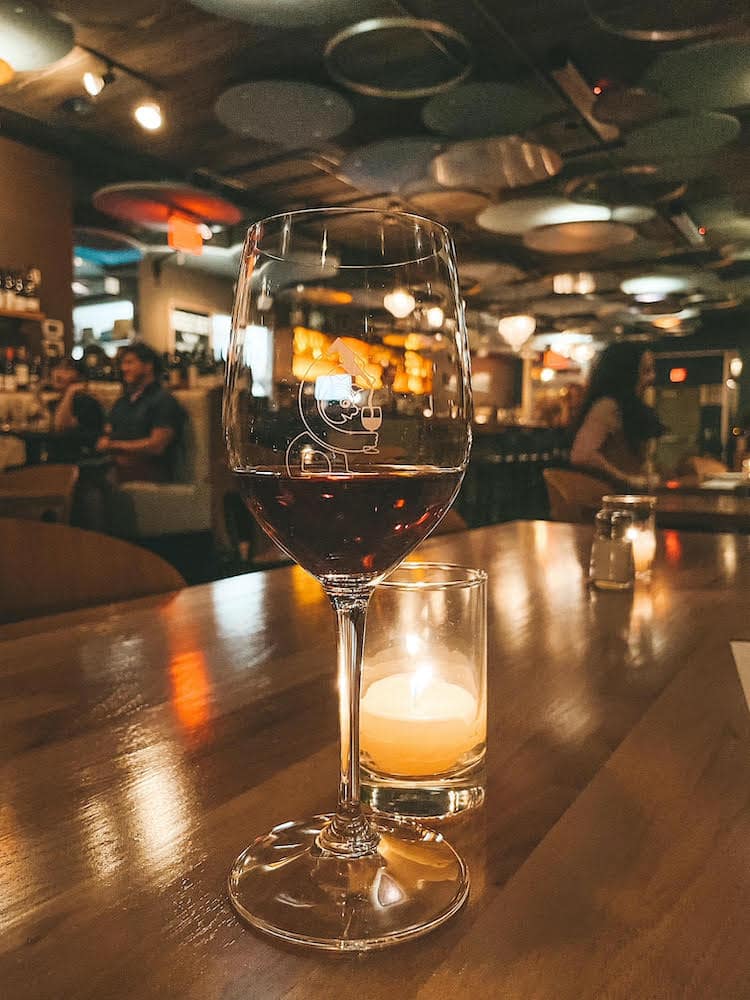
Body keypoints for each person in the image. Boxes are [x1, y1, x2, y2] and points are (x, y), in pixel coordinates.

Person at [570, 342, 663, 489]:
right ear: (627, 373)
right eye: (645, 371)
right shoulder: (607, 407)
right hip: (610, 501)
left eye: (652, 370)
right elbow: (582, 455)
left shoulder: (624, 407)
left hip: (622, 497)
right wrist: (628, 479)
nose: (652, 377)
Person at [96, 342, 184, 483]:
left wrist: (113, 446)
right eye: (123, 364)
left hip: (151, 473)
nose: (124, 368)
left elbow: (157, 446)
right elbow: (108, 431)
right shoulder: (123, 401)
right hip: (116, 467)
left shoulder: (163, 400)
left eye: (130, 363)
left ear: (148, 366)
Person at [52, 358, 105, 450]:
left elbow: (61, 427)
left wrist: (70, 391)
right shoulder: (56, 401)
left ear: (80, 377)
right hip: (62, 455)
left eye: (66, 370)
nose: (58, 374)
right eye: (57, 369)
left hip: (82, 458)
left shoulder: (87, 402)